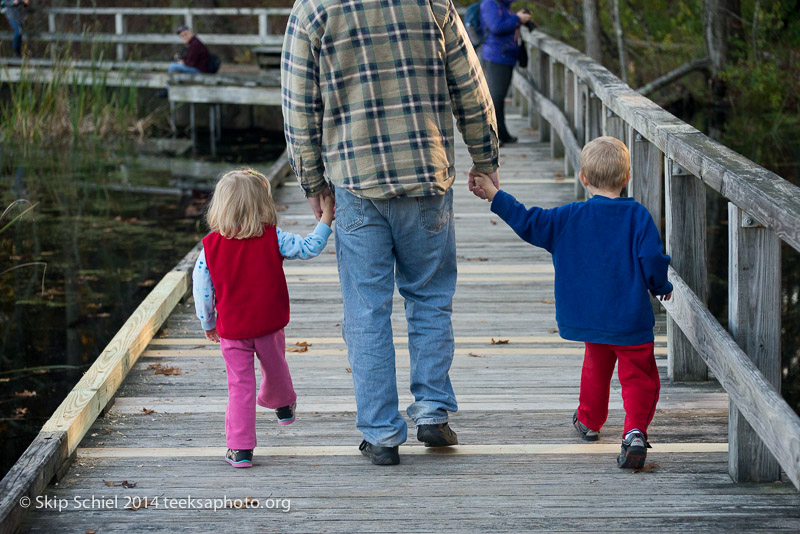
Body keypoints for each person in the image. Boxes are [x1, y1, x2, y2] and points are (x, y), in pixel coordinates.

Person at [282, 0, 500, 465]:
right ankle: (433, 413)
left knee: (366, 311)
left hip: (357, 184)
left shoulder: (313, 9)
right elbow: (471, 86)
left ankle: (381, 434)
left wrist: (313, 182)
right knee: (430, 298)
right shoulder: (432, 2)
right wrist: (486, 158)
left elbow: (299, 106)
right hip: (427, 177)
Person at [472, 137, 673, 469]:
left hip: (590, 317)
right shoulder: (638, 217)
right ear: (627, 178)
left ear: (583, 178)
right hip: (630, 319)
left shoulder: (568, 217)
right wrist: (660, 285)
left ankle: (589, 421)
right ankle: (634, 432)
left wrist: (494, 194)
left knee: (596, 365)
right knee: (639, 376)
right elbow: (651, 258)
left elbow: (527, 221)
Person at [192, 168, 335, 468]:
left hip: (232, 330)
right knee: (275, 365)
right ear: (262, 205)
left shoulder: (209, 248)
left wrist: (208, 323)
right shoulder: (273, 236)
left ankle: (241, 449)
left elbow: (203, 291)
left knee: (240, 386)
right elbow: (310, 248)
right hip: (269, 324)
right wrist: (325, 220)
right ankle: (284, 406)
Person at [480, 0, 531, 145]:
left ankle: (502, 134)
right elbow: (496, 27)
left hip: (506, 56)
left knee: (499, 98)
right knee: (495, 98)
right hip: (497, 56)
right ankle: (492, 138)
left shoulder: (503, 5)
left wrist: (519, 20)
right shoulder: (490, 3)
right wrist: (516, 19)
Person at [156, 25, 209, 98]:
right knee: (175, 64)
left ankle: (167, 90)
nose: (184, 37)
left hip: (200, 70)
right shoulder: (192, 43)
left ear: (191, 33)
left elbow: (191, 63)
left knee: (173, 66)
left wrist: (181, 62)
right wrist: (181, 59)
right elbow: (190, 58)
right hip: (197, 67)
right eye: (182, 36)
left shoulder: (195, 44)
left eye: (185, 34)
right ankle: (171, 86)